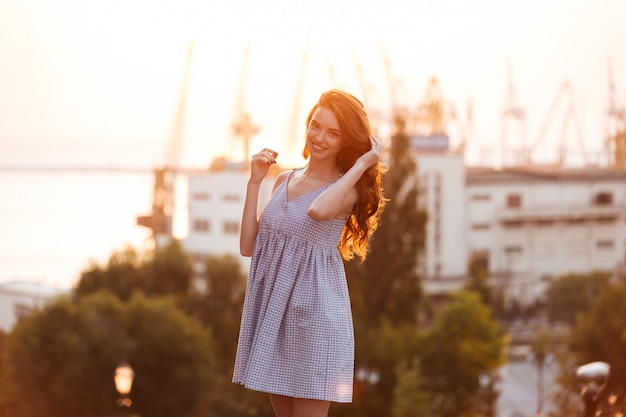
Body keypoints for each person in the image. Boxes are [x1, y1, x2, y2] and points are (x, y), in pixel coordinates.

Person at [233, 89, 386, 417]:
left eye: (333, 133)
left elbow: (317, 211)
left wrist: (361, 165)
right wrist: (254, 183)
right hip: (275, 316)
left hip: (316, 320)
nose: (319, 138)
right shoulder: (283, 179)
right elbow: (248, 246)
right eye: (315, 126)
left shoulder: (348, 189)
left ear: (346, 141)